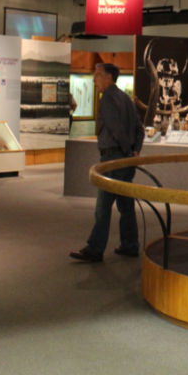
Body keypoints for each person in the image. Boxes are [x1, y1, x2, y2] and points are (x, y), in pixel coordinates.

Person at [70, 63, 144, 263]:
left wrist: (127, 152)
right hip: (126, 160)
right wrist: (135, 151)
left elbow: (115, 129)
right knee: (126, 205)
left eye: (98, 76)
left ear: (109, 77)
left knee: (103, 207)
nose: (94, 80)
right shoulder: (127, 100)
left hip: (113, 160)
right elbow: (140, 129)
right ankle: (130, 245)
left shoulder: (108, 100)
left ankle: (95, 249)